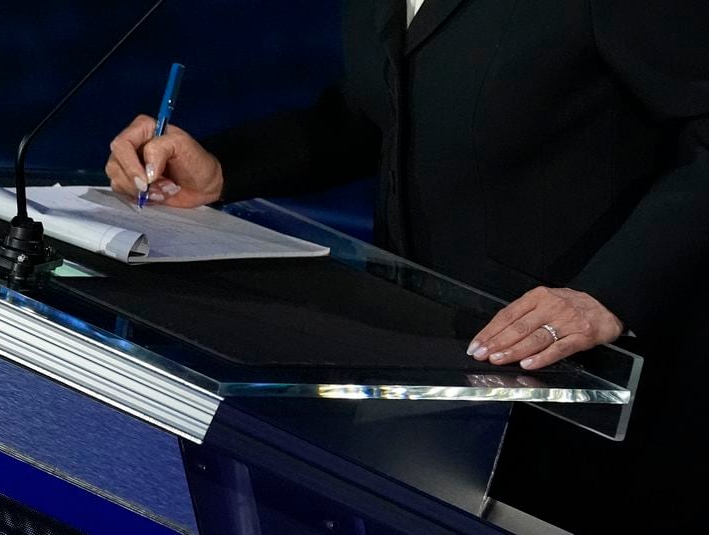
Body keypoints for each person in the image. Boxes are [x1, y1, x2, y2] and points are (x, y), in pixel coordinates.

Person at [106, 1, 708, 532]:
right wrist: (223, 169)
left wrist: (606, 294)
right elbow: (376, 111)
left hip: (579, 403)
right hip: (432, 379)